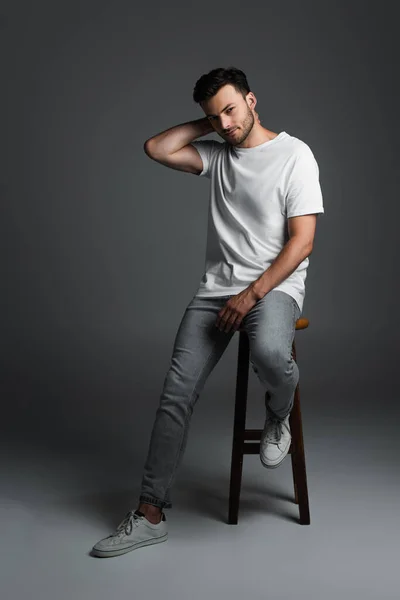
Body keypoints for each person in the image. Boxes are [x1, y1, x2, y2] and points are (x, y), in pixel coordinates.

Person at [91, 66, 324, 558]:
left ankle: (278, 409)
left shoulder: (294, 154)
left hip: (275, 287)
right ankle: (150, 513)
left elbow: (303, 241)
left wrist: (252, 293)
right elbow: (156, 148)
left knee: (267, 349)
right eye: (214, 115)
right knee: (176, 391)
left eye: (232, 108)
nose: (225, 122)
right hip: (216, 292)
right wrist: (214, 123)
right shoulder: (217, 155)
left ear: (253, 100)